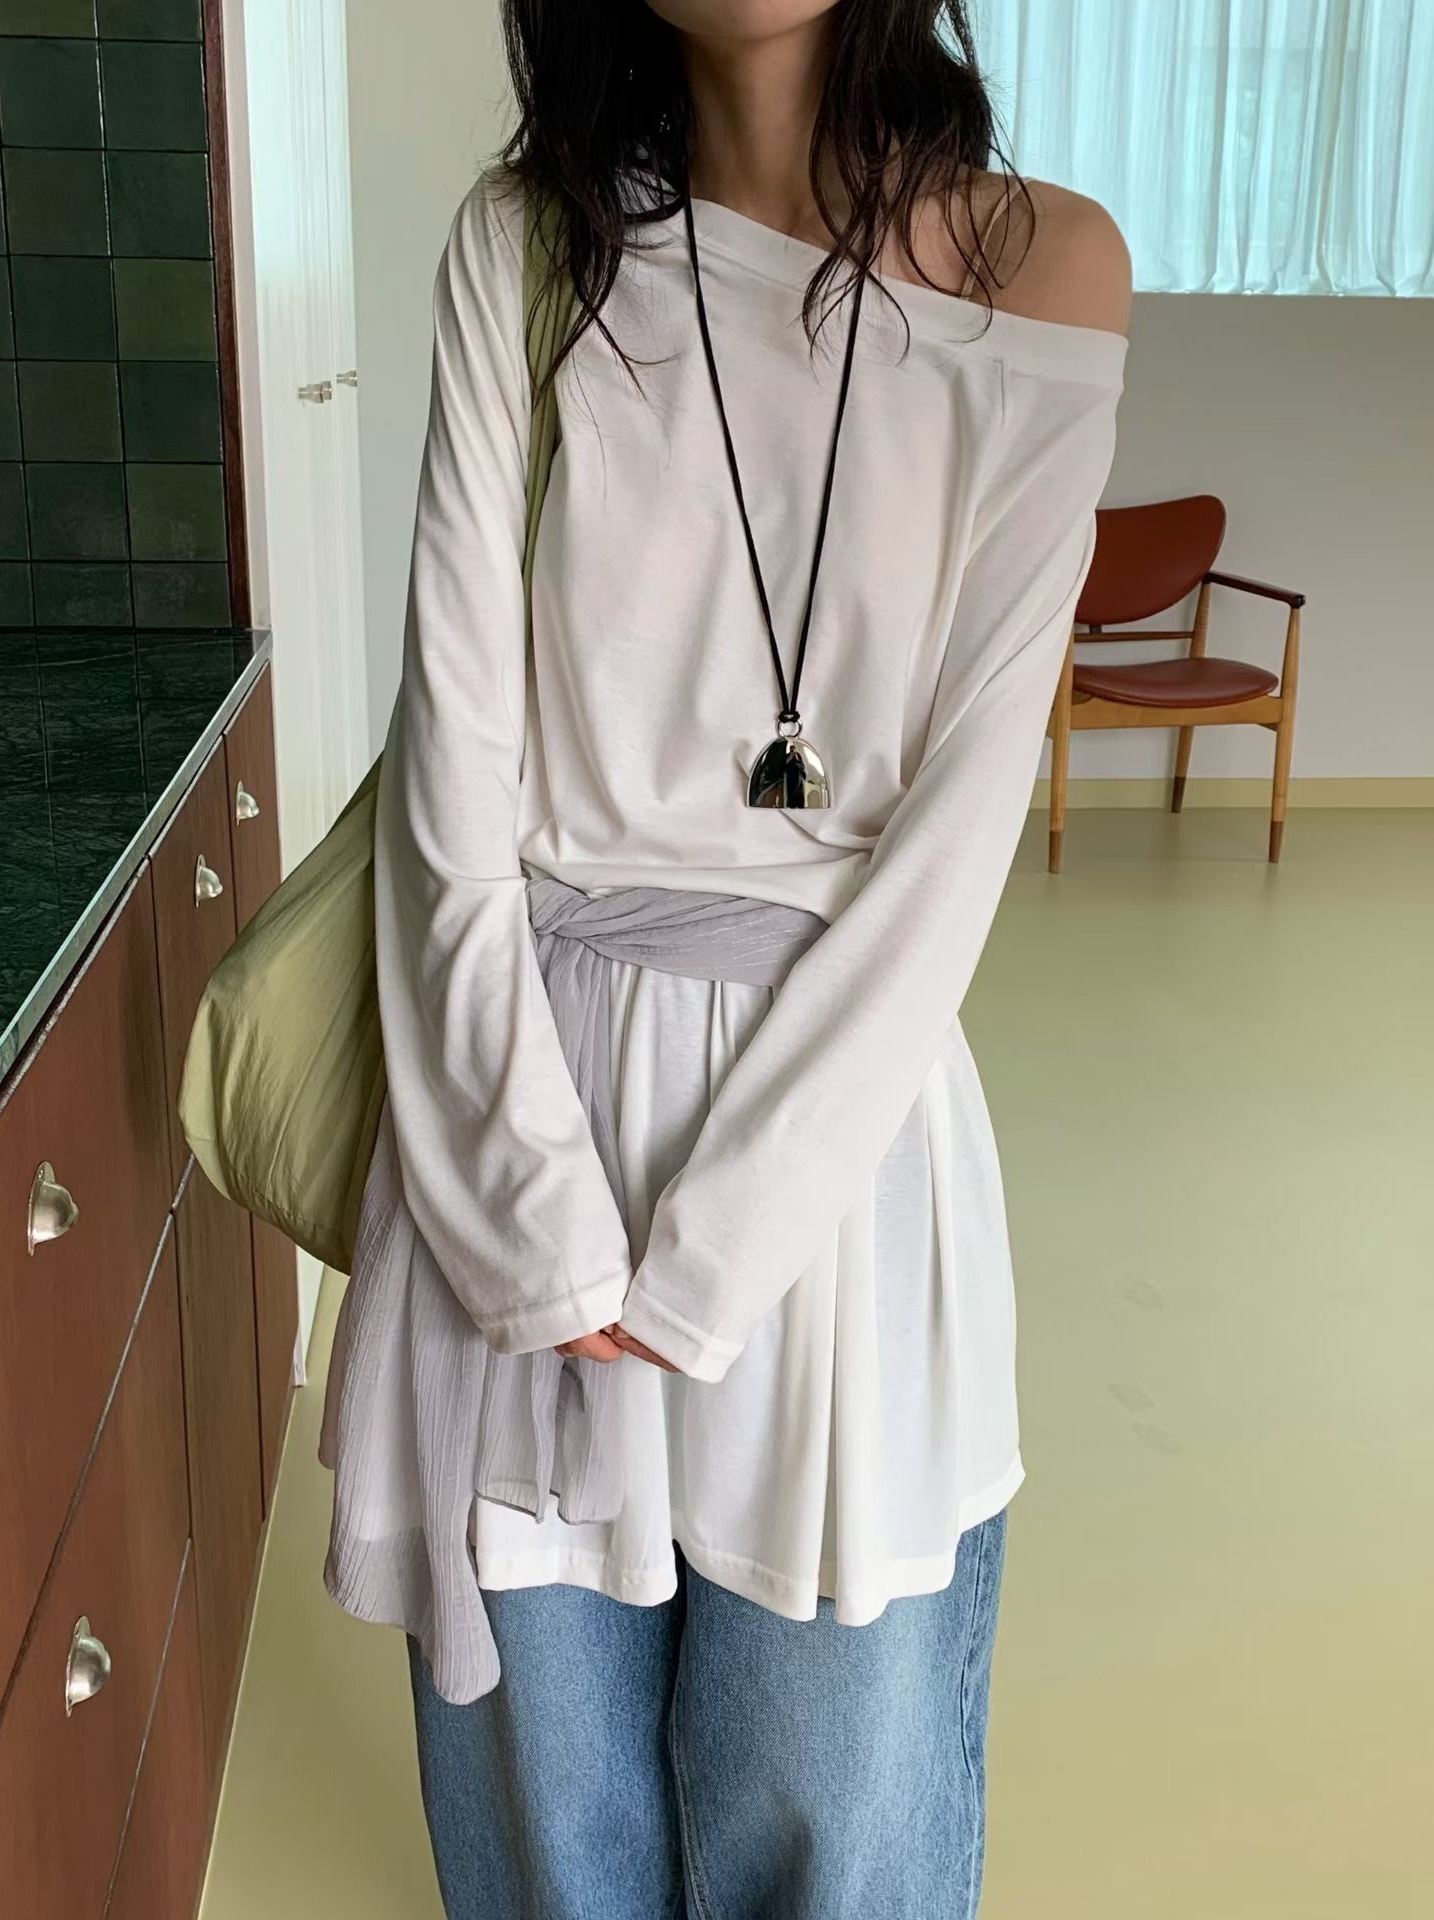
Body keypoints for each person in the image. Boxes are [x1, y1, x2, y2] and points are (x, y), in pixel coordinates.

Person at [321, 2, 1131, 1914]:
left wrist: (716, 1247)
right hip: (525, 1120)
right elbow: (453, 775)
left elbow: (953, 843)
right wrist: (530, 1212)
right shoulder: (529, 247)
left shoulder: (1045, 268)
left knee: (837, 1834)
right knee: (553, 1845)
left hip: (835, 1170)